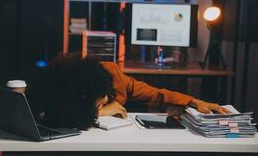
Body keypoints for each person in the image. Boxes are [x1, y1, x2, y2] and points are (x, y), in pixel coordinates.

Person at [26, 53, 229, 130]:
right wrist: (101, 111)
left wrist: (192, 101)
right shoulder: (58, 90)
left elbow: (154, 93)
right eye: (99, 101)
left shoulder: (112, 73)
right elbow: (58, 117)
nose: (106, 99)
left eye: (105, 96)